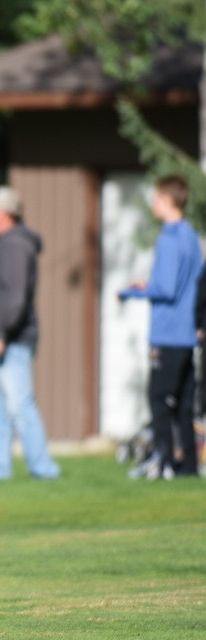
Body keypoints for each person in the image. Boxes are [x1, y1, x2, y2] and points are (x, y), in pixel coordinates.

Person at [0, 185, 60, 480]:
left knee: (19, 406)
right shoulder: (3, 244)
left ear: (3, 214)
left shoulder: (15, 245)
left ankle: (43, 469)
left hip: (7, 341)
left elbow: (15, 296)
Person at [119, 175, 203, 479]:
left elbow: (166, 288)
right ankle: (189, 466)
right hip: (187, 333)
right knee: (182, 401)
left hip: (166, 333)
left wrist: (134, 291)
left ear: (168, 200)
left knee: (159, 398)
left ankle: (164, 460)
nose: (153, 204)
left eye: (156, 198)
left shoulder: (168, 238)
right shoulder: (192, 236)